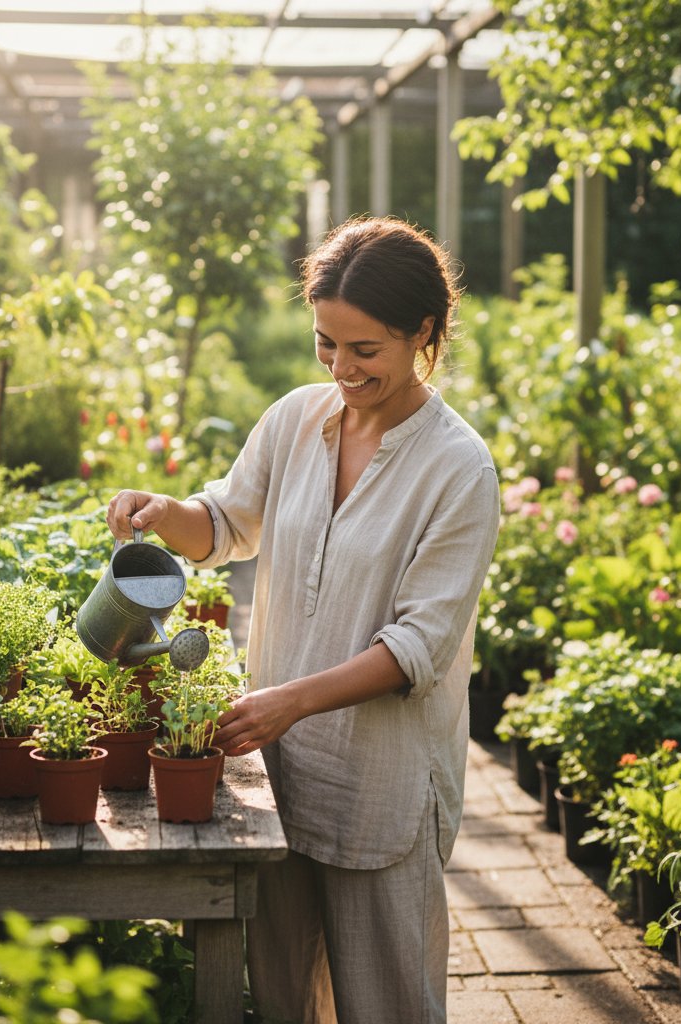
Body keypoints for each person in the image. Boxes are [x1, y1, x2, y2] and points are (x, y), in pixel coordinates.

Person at [106, 216, 500, 1024]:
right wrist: (160, 511)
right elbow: (225, 523)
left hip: (379, 777)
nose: (342, 369)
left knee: (386, 1003)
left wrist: (289, 700)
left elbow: (417, 648)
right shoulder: (295, 420)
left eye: (366, 351)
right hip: (280, 773)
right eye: (326, 344)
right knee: (284, 998)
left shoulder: (458, 468)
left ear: (423, 332)